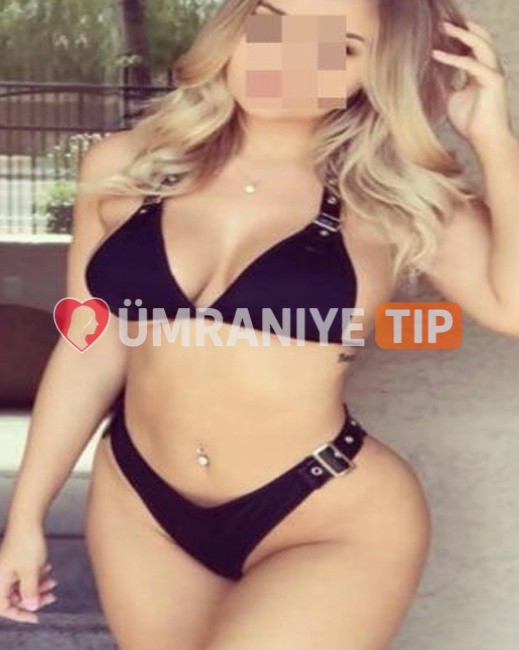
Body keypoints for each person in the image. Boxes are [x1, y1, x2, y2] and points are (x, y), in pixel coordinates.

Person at [1, 0, 518, 648]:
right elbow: (89, 347)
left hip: (320, 514)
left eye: (337, 48)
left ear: (374, 75)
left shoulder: (390, 194)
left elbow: (511, 307)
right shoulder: (123, 167)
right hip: (140, 505)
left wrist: (493, 140)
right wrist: (28, 514)